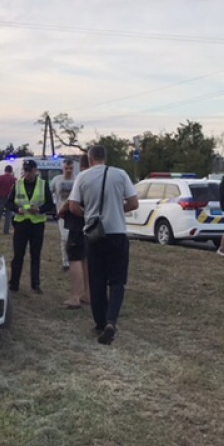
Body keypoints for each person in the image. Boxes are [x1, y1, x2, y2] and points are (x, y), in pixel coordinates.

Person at [69, 146, 138, 345]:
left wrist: (90, 216)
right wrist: (117, 209)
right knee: (117, 281)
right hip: (117, 232)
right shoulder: (120, 174)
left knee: (96, 279)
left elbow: (73, 206)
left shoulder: (82, 177)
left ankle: (99, 322)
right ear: (105, 157)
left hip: (94, 234)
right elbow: (133, 203)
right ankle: (111, 320)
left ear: (90, 159)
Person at [5, 159, 55, 294]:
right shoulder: (18, 184)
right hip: (21, 223)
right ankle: (14, 284)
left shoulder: (43, 185)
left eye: (29, 170)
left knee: (35, 255)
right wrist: (17, 209)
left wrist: (39, 209)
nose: (27, 173)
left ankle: (35, 284)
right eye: (25, 170)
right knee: (18, 255)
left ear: (35, 171)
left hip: (37, 224)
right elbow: (8, 203)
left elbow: (50, 205)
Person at [61, 154, 91, 309]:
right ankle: (87, 293)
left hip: (77, 224)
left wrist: (62, 210)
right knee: (86, 258)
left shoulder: (82, 178)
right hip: (92, 226)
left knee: (75, 257)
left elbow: (72, 203)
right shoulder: (99, 179)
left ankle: (75, 296)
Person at [50, 159, 76, 271]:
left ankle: (75, 259)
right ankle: (65, 262)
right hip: (62, 214)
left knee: (75, 238)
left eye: (71, 168)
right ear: (63, 168)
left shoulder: (77, 180)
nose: (69, 170)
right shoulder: (57, 180)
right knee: (64, 238)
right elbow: (49, 192)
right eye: (66, 168)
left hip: (75, 214)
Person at [0, 165, 16, 235]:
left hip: (1, 197)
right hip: (9, 198)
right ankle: (6, 231)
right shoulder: (13, 178)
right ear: (11, 171)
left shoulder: (0, 177)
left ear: (5, 170)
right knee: (8, 215)